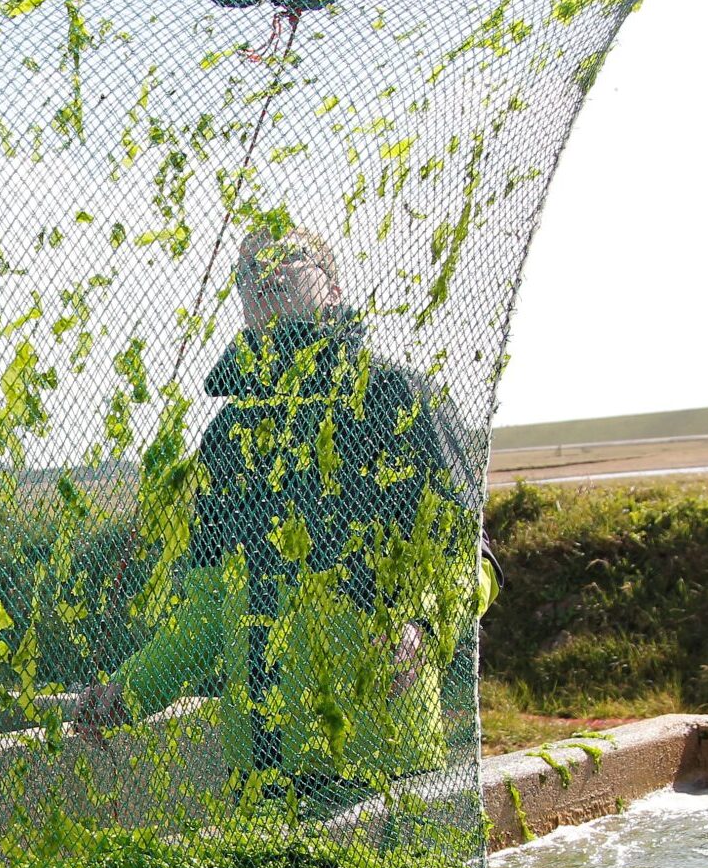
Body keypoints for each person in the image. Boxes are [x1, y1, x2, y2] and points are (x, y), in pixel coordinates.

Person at [77, 227, 486, 798]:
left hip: (381, 762)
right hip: (261, 774)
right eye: (246, 271)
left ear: (335, 288)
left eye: (286, 257)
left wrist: (422, 624)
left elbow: (470, 562)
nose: (264, 271)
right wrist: (128, 692)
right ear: (242, 306)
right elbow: (204, 615)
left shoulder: (401, 399)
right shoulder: (227, 437)